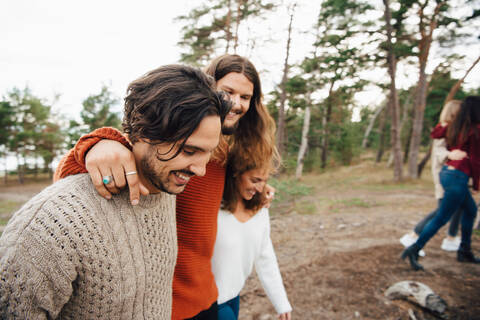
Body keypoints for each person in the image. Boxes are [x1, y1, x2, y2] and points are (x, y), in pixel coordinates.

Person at [54, 54, 279, 320]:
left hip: (208, 296)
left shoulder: (223, 158)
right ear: (208, 91)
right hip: (166, 305)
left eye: (245, 97)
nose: (236, 103)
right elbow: (68, 176)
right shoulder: (169, 149)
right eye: (227, 92)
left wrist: (256, 192)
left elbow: (216, 207)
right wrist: (99, 144)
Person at [0, 64, 230, 319]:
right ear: (143, 132)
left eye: (208, 153)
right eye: (189, 151)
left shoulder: (165, 187)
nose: (201, 170)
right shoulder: (51, 227)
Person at [401, 96, 480, 271]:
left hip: (451, 175)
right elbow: (475, 160)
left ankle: (464, 250)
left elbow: (435, 133)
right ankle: (414, 248)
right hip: (455, 177)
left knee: (470, 211)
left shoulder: (459, 128)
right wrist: (476, 184)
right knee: (441, 216)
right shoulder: (472, 130)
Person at [213, 151, 292, 320]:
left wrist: (281, 302)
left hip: (234, 296)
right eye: (254, 180)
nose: (260, 188)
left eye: (263, 181)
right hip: (212, 302)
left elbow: (266, 257)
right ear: (236, 174)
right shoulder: (214, 210)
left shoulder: (260, 212)